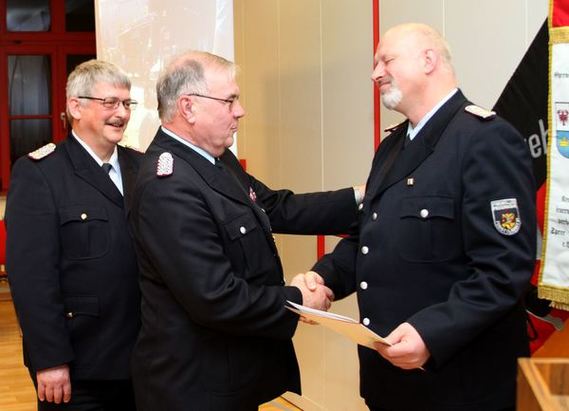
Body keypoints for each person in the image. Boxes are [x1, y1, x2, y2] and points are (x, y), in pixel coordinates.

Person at [302, 23, 537, 411]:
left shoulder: (485, 140)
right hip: (391, 382)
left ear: (429, 60)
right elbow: (370, 238)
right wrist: (324, 279)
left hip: (460, 386)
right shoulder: (392, 146)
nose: (375, 72)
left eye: (386, 60)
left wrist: (430, 333)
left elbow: (504, 268)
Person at [128, 50, 362, 410]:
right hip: (194, 389)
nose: (240, 111)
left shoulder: (214, 160)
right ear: (188, 107)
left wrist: (362, 198)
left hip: (230, 376)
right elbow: (215, 297)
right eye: (230, 100)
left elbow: (277, 207)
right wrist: (299, 300)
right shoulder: (169, 185)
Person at [6, 60, 142, 410]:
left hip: (146, 359)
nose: (121, 114)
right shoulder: (41, 174)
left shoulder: (142, 167)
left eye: (127, 104)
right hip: (82, 365)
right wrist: (49, 359)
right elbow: (33, 280)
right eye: (109, 103)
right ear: (75, 107)